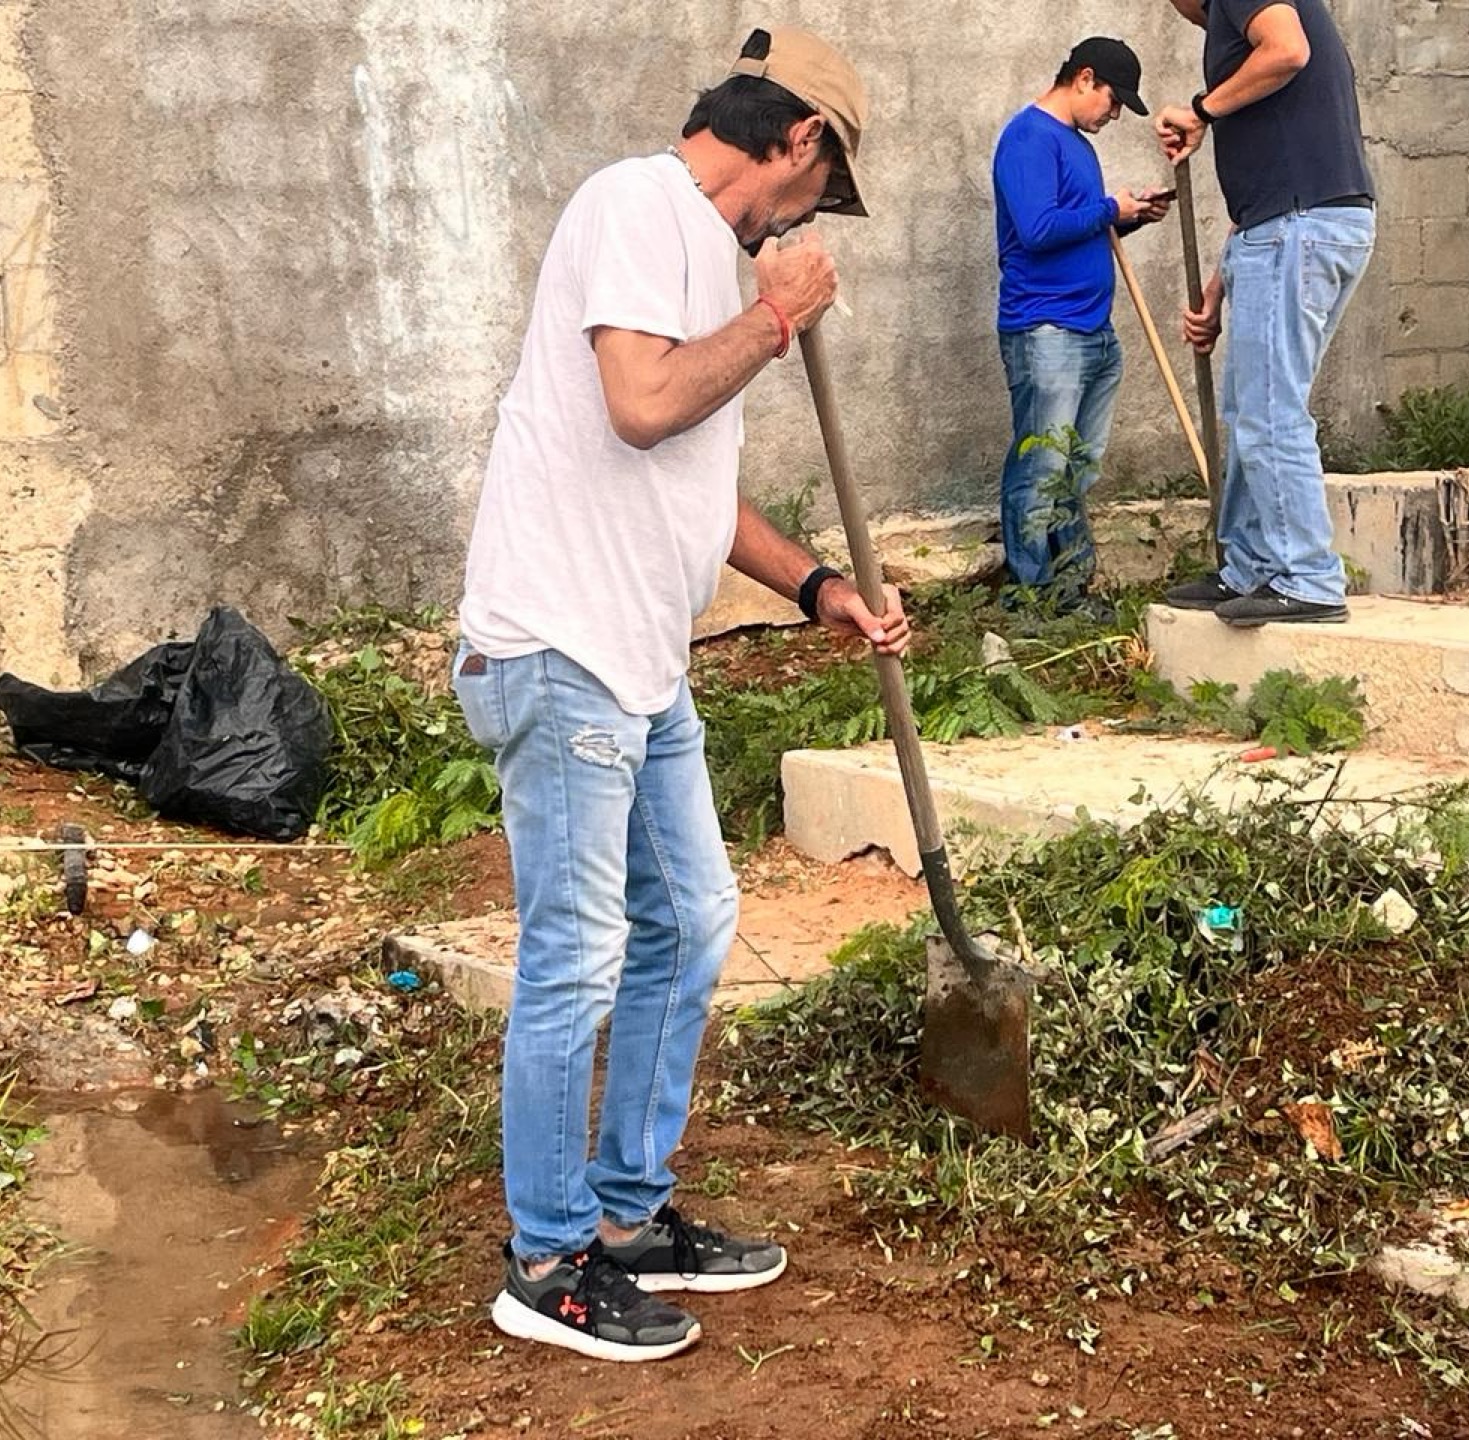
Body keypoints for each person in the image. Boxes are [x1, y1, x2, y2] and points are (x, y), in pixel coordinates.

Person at [452, 26, 909, 1363]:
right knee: (577, 953)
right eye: (820, 194)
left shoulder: (700, 258)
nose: (809, 223)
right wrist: (778, 320)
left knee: (693, 917)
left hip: (640, 664)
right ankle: (546, 1260)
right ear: (800, 146)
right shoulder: (634, 204)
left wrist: (817, 580)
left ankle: (630, 1216)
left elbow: (690, 491)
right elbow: (645, 402)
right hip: (561, 646)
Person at [1154, 0, 1375, 626]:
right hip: (1283, 227)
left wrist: (1201, 109)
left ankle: (1307, 577)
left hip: (1299, 226)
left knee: (1271, 409)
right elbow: (1260, 194)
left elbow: (1287, 49)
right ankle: (1250, 568)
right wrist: (1219, 292)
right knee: (1250, 407)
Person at [992, 36, 1169, 621]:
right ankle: (1032, 601)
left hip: (1094, 333)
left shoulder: (1076, 145)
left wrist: (1130, 216)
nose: (1114, 115)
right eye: (1115, 101)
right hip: (1046, 331)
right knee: (1040, 467)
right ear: (1085, 78)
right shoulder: (1028, 138)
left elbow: (1083, 229)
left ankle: (1071, 593)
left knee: (1077, 468)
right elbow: (1039, 230)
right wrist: (1108, 209)